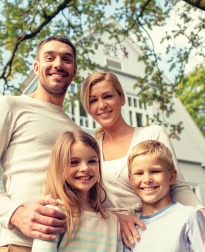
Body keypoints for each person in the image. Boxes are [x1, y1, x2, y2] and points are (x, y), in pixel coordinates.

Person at [0, 36, 81, 251]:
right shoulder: (10, 106)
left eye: (66, 59)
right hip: (18, 243)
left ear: (74, 71)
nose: (58, 64)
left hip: (68, 246)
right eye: (50, 57)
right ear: (37, 67)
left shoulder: (78, 131)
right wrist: (18, 215)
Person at [80, 71, 205, 250]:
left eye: (108, 96)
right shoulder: (91, 148)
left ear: (122, 98)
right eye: (93, 100)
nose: (102, 105)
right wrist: (115, 218)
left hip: (156, 227)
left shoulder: (151, 134)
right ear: (88, 107)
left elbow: (178, 186)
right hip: (111, 236)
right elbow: (87, 200)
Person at [32, 130, 123, 252]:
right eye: (74, 162)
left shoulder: (113, 222)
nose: (85, 168)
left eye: (92, 161)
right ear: (59, 167)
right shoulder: (53, 214)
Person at [123, 140, 205, 251]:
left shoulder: (189, 217)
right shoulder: (130, 231)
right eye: (139, 173)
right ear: (130, 180)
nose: (147, 179)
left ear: (171, 177)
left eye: (155, 171)